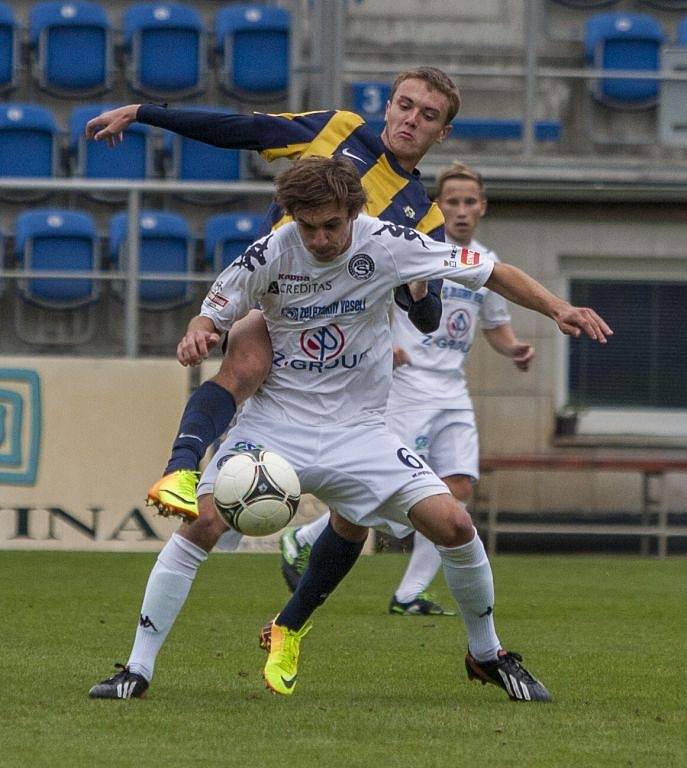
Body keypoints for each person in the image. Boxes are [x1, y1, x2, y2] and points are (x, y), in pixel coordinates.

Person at [88, 156, 612, 703]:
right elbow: (212, 315)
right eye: (307, 225)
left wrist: (558, 307)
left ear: (354, 213)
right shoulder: (268, 254)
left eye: (331, 225)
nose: (318, 238)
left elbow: (488, 270)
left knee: (455, 524)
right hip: (274, 426)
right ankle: (138, 668)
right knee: (201, 524)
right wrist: (198, 334)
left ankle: (487, 654)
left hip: (361, 431)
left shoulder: (387, 242)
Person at [84, 66, 461, 522]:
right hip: (279, 302)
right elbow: (245, 129)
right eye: (405, 105)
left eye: (428, 115)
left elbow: (426, 318)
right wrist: (146, 113)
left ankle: (300, 571)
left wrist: (419, 295)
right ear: (387, 106)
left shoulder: (425, 216)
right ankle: (181, 469)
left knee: (352, 519)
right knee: (244, 366)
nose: (411, 120)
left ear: (443, 131)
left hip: (347, 339)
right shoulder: (338, 129)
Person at [279, 162, 534, 618]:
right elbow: (368, 298)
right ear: (438, 206)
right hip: (406, 386)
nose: (460, 211)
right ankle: (305, 537)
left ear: (482, 207)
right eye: (451, 202)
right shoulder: (413, 247)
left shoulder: (483, 262)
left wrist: (514, 349)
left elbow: (495, 325)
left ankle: (408, 593)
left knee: (456, 491)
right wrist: (390, 343)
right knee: (383, 489)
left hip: (453, 389)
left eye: (469, 202)